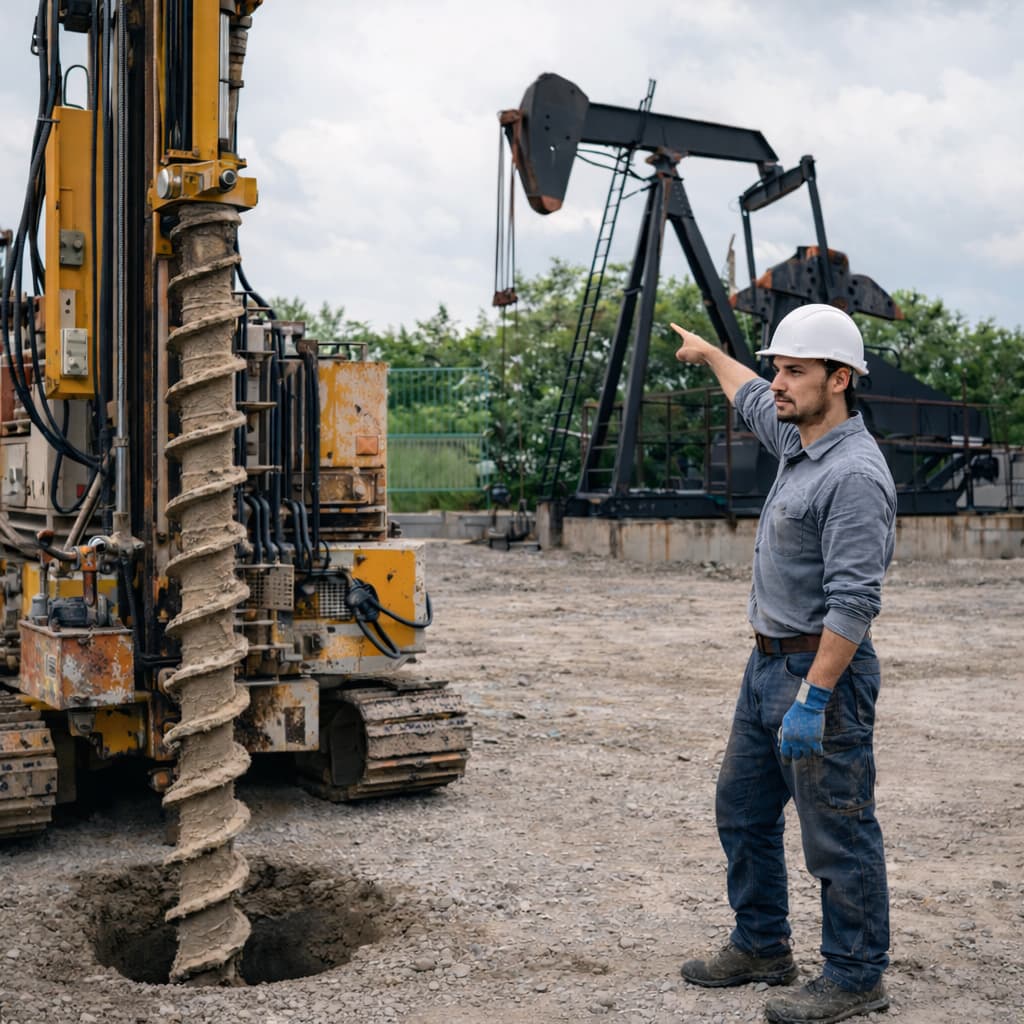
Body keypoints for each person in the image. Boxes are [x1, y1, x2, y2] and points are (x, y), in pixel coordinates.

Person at [671, 304, 896, 1024]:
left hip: (819, 674)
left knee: (837, 828)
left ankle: (857, 975)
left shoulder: (855, 475)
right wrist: (709, 353)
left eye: (794, 370)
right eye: (777, 367)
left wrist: (814, 698)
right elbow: (744, 392)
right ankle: (762, 944)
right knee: (741, 811)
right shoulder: (796, 437)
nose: (777, 381)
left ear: (840, 379)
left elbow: (854, 605)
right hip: (764, 665)